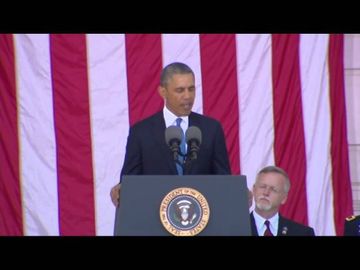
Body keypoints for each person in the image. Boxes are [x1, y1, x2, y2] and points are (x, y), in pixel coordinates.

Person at [110, 62, 232, 207]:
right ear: (163, 92)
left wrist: (236, 192)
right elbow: (130, 181)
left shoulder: (211, 129)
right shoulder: (141, 132)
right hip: (155, 217)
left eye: (191, 89)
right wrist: (120, 189)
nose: (187, 96)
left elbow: (224, 179)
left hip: (201, 218)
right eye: (180, 90)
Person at [250, 165, 315, 236]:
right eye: (263, 187)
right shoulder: (236, 228)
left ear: (284, 198)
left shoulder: (303, 233)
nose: (266, 192)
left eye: (273, 189)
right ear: (254, 189)